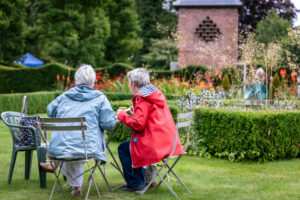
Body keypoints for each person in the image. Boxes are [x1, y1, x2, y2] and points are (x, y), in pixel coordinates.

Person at [40, 64, 116, 196]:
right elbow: (108, 124)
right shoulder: (100, 98)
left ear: (76, 80)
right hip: (87, 149)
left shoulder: (65, 96)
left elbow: (50, 111)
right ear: (93, 81)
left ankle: (60, 170)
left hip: (58, 147)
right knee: (78, 144)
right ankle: (75, 185)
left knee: (69, 143)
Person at [116, 68, 184, 194]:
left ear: (134, 83)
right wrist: (135, 111)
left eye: (129, 82)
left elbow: (138, 124)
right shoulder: (154, 94)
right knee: (131, 145)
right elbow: (150, 116)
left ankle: (135, 183)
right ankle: (145, 180)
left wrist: (121, 115)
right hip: (168, 142)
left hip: (155, 145)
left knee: (124, 148)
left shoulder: (141, 98)